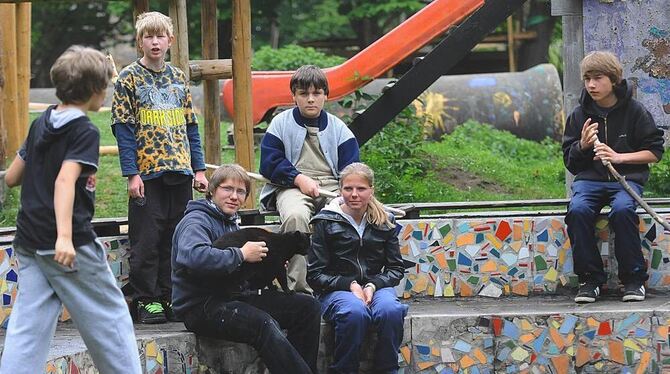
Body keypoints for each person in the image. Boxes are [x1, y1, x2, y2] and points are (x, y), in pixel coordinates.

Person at [0, 46, 141, 373]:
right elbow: (65, 181)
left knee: (29, 325)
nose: (105, 94)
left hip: (30, 240)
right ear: (94, 90)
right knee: (110, 316)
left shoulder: (42, 122)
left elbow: (12, 177)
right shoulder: (83, 130)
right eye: (105, 87)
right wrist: (64, 238)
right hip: (68, 244)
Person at [171, 164, 321, 374]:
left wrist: (268, 267)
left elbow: (240, 274)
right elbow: (194, 258)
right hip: (201, 305)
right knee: (263, 323)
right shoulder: (196, 222)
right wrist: (241, 254)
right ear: (212, 190)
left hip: (233, 296)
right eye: (227, 189)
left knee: (307, 307)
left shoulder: (231, 223)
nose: (234, 196)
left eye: (240, 191)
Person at [111, 11, 208, 324]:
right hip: (147, 174)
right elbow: (123, 129)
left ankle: (170, 295)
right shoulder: (128, 78)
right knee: (147, 239)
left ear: (170, 40)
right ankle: (146, 299)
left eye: (160, 36)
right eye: (148, 36)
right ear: (140, 41)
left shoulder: (179, 77)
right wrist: (132, 174)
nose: (154, 42)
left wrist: (200, 169)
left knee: (175, 236)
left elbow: (191, 126)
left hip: (179, 171)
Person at [562, 51, 664, 304]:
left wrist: (619, 158)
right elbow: (571, 162)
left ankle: (633, 280)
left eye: (598, 78)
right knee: (578, 210)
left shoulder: (635, 111)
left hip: (626, 179)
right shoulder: (579, 115)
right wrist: (583, 147)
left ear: (614, 79)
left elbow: (654, 152)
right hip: (590, 180)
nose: (591, 85)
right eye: (587, 79)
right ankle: (589, 280)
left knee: (622, 209)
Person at [259, 65, 360, 293]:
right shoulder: (280, 123)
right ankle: (300, 290)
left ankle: (343, 283)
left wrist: (347, 194)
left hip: (332, 187)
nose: (310, 99)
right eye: (304, 94)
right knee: (296, 218)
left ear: (326, 95)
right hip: (291, 187)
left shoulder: (340, 129)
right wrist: (297, 178)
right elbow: (269, 162)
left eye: (316, 93)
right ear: (294, 96)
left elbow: (352, 169)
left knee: (342, 217)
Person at [308, 162, 408, 374]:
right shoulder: (325, 221)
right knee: (355, 312)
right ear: (340, 189)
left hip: (377, 287)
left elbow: (395, 268)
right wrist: (350, 284)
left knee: (391, 310)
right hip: (337, 290)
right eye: (348, 188)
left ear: (371, 190)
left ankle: (387, 369)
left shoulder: (385, 221)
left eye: (361, 189)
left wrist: (373, 284)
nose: (354, 194)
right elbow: (315, 274)